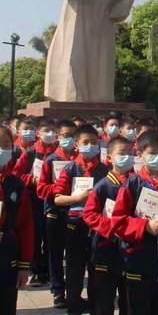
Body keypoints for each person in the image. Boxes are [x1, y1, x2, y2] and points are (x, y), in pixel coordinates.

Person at [112, 130, 158, 315]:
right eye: (152, 153)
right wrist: (144, 226)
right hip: (138, 259)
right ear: (140, 154)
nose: (157, 158)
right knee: (139, 307)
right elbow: (118, 223)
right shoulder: (132, 184)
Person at [54, 123, 109, 315]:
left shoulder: (104, 169)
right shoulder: (70, 169)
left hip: (97, 227)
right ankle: (74, 305)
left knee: (96, 270)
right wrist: (77, 198)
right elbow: (57, 198)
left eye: (94, 142)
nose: (90, 146)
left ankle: (95, 306)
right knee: (74, 269)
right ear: (76, 144)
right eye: (85, 142)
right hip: (74, 225)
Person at [83, 136, 133, 315]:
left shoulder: (137, 183)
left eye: (130, 153)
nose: (126, 157)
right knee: (103, 299)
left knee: (129, 298)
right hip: (105, 248)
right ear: (109, 158)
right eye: (121, 153)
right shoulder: (102, 186)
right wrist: (112, 226)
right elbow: (89, 214)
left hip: (129, 249)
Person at [36, 119, 77, 308]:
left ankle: (73, 291)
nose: (68, 139)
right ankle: (58, 291)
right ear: (58, 137)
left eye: (72, 136)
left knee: (75, 256)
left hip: (76, 214)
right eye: (65, 136)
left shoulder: (80, 161)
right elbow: (41, 189)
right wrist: (61, 191)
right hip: (55, 212)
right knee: (55, 255)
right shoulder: (51, 160)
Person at [13, 117, 57, 287]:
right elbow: (17, 175)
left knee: (51, 237)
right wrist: (33, 180)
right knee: (36, 234)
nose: (50, 134)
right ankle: (37, 269)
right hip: (35, 199)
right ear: (39, 134)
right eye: (46, 131)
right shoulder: (31, 153)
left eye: (53, 131)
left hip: (53, 198)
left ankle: (49, 269)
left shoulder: (58, 153)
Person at [0, 126, 34, 315]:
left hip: (7, 261)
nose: (1, 150)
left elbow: (25, 226)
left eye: (5, 145)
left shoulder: (15, 184)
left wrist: (23, 265)